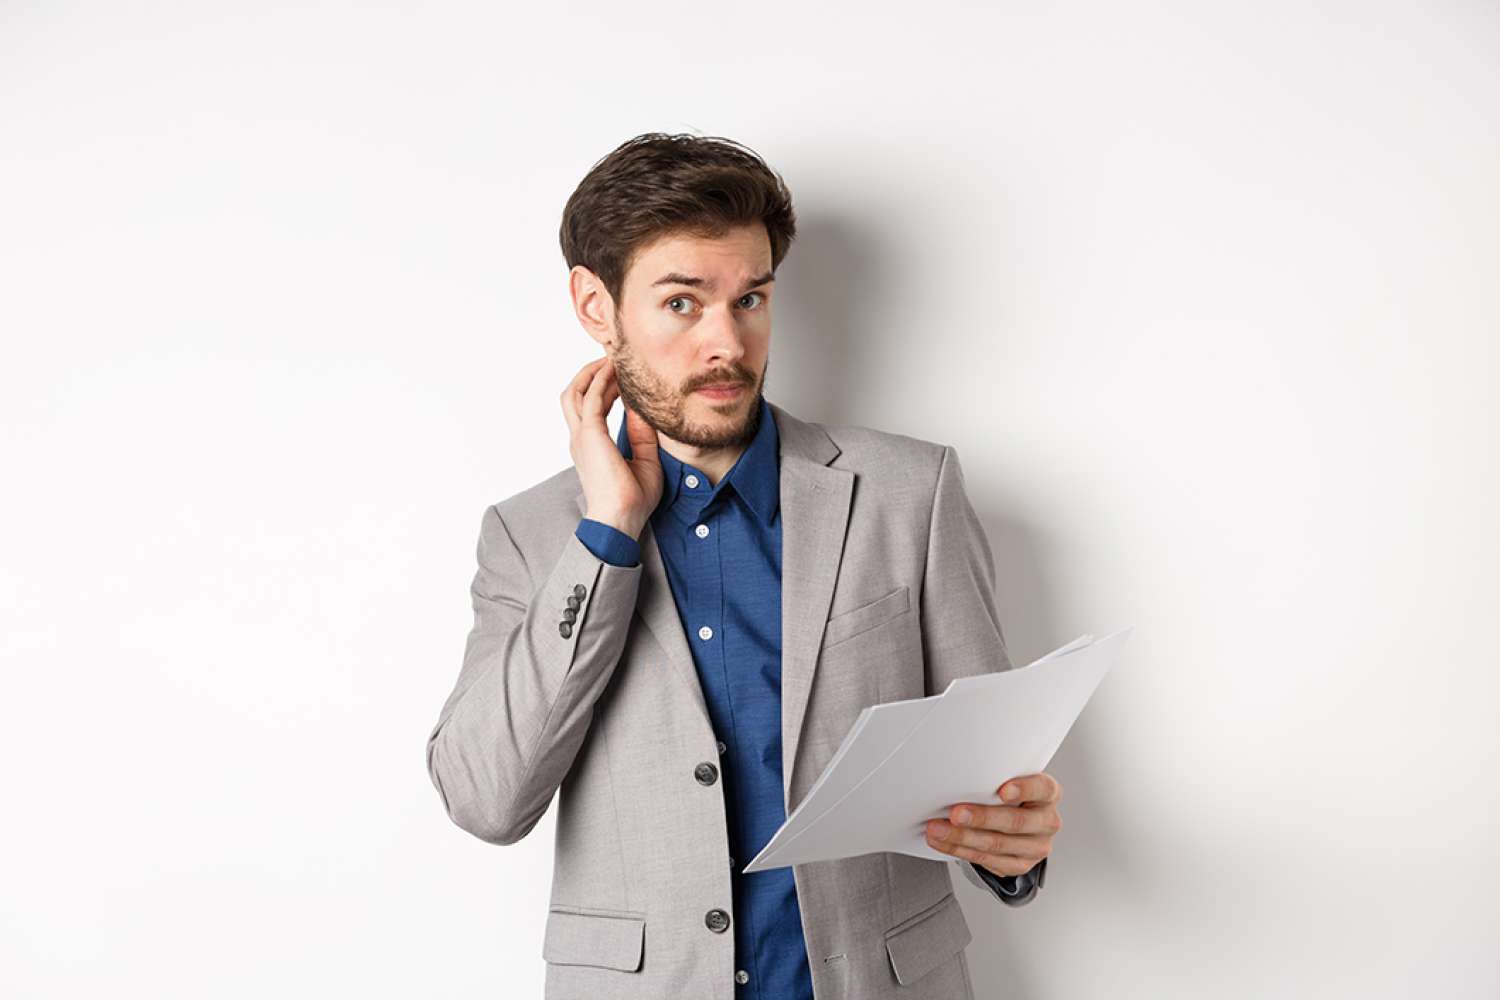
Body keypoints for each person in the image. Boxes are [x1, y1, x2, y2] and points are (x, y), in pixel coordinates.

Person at [425, 132, 1061, 1000]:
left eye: (751, 298)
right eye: (683, 304)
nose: (728, 343)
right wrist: (608, 530)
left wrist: (1014, 844)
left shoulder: (910, 493)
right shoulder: (532, 536)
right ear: (595, 305)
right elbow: (486, 799)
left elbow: (990, 775)